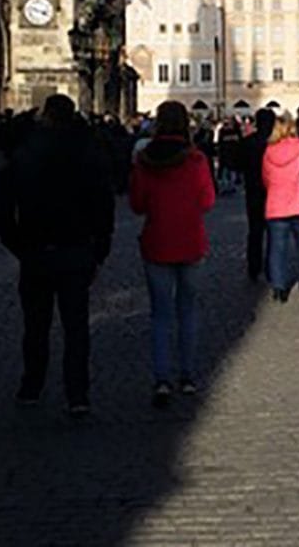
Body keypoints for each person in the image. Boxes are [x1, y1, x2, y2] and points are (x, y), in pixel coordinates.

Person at [0, 94, 114, 414]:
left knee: (35, 325)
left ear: (45, 115)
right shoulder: (88, 151)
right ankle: (77, 394)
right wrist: (100, 248)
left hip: (36, 250)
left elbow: (1, 209)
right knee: (76, 327)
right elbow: (105, 203)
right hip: (77, 249)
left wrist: (17, 245)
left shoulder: (26, 152)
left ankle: (31, 386)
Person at [129, 100, 216, 407]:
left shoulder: (144, 160)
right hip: (191, 242)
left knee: (160, 314)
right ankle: (188, 375)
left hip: (157, 243)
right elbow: (207, 201)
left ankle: (162, 378)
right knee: (188, 311)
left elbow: (137, 204)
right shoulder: (196, 160)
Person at [262, 112, 299, 301]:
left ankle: (278, 287)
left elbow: (266, 179)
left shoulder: (268, 152)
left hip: (275, 206)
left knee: (277, 249)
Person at [239, 108, 274, 282]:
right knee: (274, 233)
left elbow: (238, 163)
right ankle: (273, 268)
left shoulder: (248, 142)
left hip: (253, 191)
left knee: (255, 231)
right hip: (273, 191)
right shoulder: (275, 143)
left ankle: (254, 267)